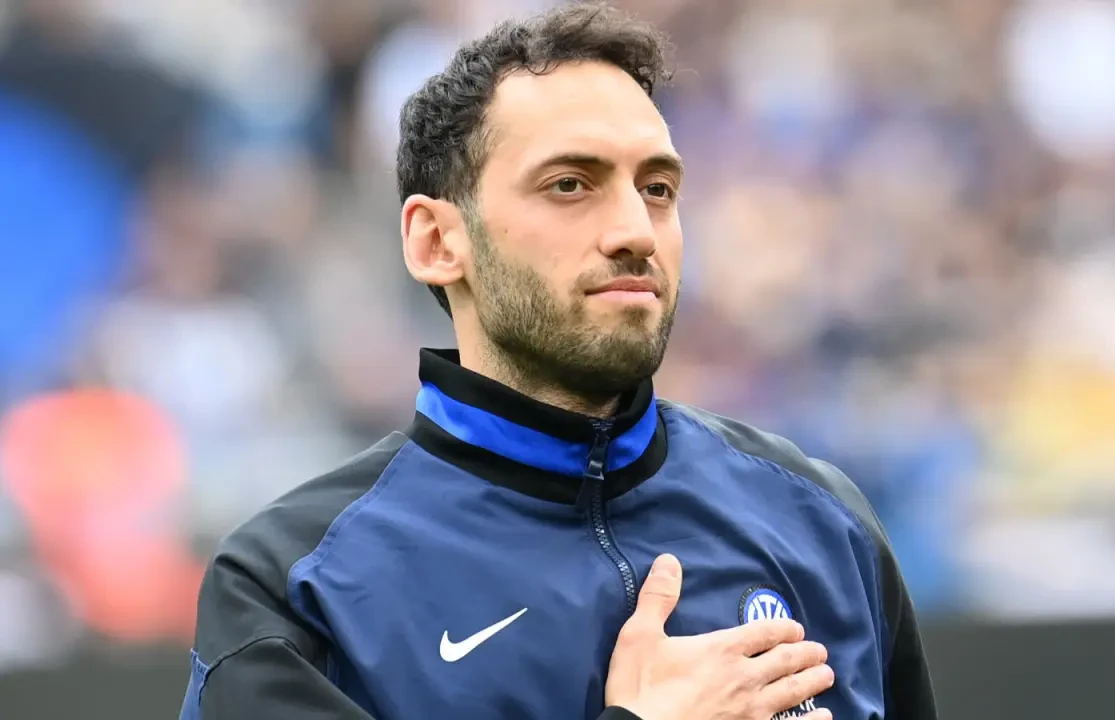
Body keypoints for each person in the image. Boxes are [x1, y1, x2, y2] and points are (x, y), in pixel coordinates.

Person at [179, 4, 936, 720]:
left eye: (658, 188)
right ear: (436, 242)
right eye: (570, 185)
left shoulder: (822, 521)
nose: (636, 231)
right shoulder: (297, 586)